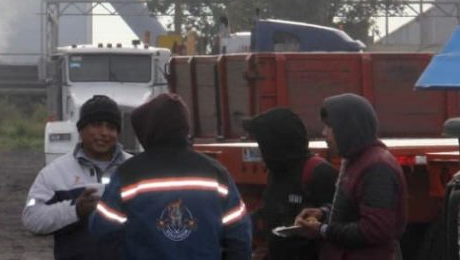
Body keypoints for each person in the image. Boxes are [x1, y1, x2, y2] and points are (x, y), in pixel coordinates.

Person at [89, 92, 251, 259]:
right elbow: (239, 238)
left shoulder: (128, 175)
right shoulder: (216, 174)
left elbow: (102, 232)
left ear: (147, 129)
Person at [294, 93, 407, 259]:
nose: (324, 133)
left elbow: (374, 230)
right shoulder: (355, 159)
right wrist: (323, 213)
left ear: (348, 128)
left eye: (329, 126)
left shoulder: (377, 168)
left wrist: (322, 230)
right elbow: (353, 209)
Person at [22, 95, 130, 259]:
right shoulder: (56, 172)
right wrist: (75, 209)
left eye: (111, 127)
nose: (104, 133)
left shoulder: (135, 169)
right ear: (81, 130)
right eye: (96, 125)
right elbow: (32, 218)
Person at [243, 107, 337, 259]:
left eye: (263, 144)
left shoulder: (320, 174)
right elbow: (270, 214)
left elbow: (338, 228)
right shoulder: (276, 173)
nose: (261, 151)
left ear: (275, 143)